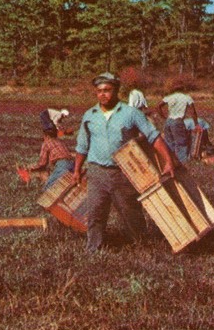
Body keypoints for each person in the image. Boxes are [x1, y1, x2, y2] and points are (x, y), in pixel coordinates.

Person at [73, 72, 176, 253]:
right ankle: (93, 249)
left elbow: (154, 136)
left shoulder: (131, 113)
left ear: (117, 90)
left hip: (124, 172)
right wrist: (76, 170)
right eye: (99, 91)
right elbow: (82, 146)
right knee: (95, 212)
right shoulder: (90, 115)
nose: (103, 94)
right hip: (96, 172)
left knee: (130, 212)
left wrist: (169, 161)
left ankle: (140, 247)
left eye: (107, 90)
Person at [25, 108, 74, 190]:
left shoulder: (46, 143)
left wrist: (31, 168)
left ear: (45, 135)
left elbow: (42, 163)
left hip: (63, 165)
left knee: (47, 188)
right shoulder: (59, 141)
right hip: (72, 163)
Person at [158, 88, 200, 164]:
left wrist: (164, 117)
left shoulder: (170, 97)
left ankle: (170, 162)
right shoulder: (187, 97)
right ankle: (182, 163)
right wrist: (196, 124)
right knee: (181, 143)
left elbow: (158, 106)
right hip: (177, 121)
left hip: (168, 121)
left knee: (169, 142)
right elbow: (193, 111)